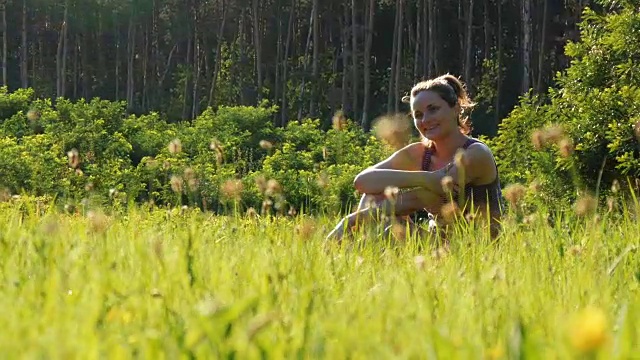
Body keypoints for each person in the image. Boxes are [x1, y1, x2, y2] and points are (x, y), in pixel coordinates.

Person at [326, 74, 505, 241]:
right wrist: (427, 178)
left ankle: (358, 248)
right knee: (375, 196)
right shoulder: (420, 153)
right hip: (437, 249)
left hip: (477, 250)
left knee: (391, 231)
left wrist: (353, 220)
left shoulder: (476, 153)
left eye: (433, 109)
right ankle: (359, 255)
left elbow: (420, 197)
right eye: (418, 115)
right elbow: (363, 181)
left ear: (455, 109)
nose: (425, 120)